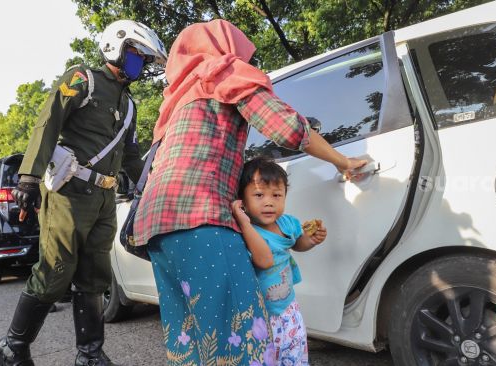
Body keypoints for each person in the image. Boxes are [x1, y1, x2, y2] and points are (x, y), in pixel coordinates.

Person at [131, 19, 366, 365]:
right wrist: (340, 160)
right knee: (240, 338)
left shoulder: (177, 101)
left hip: (156, 231)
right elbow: (285, 127)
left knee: (190, 340)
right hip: (201, 220)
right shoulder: (222, 71)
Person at [0, 20, 167, 366]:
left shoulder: (130, 105)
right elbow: (49, 121)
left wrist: (154, 188)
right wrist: (28, 178)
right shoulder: (83, 79)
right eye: (137, 56)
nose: (140, 65)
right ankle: (13, 346)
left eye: (144, 61)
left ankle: (89, 354)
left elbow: (131, 156)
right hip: (69, 194)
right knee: (56, 272)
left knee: (95, 276)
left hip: (104, 199)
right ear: (115, 48)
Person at [232, 157, 325, 365]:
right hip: (260, 314)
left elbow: (297, 244)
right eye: (258, 195)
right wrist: (245, 224)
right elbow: (265, 261)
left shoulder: (287, 223)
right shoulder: (246, 232)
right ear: (242, 201)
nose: (269, 202)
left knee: (294, 350)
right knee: (267, 357)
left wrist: (310, 240)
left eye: (277, 195)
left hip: (288, 307)